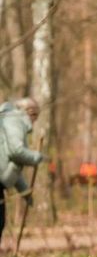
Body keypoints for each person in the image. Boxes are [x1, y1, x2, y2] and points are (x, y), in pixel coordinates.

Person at [0, 98, 44, 244]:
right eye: (35, 117)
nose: (34, 122)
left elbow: (11, 165)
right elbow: (16, 151)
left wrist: (24, 190)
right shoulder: (14, 120)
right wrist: (35, 157)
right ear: (29, 113)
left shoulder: (9, 120)